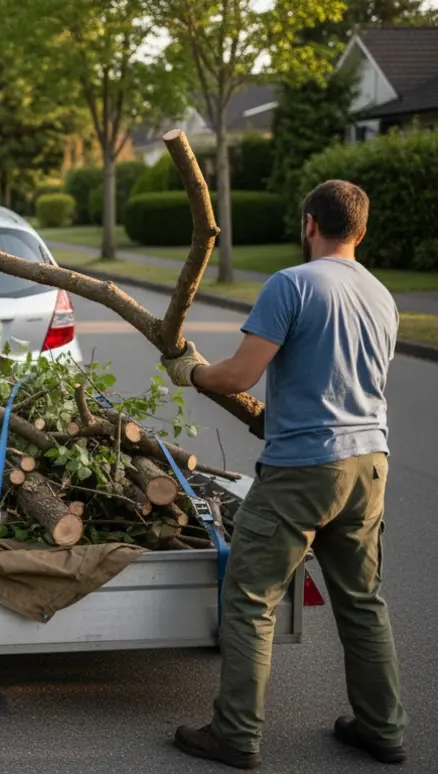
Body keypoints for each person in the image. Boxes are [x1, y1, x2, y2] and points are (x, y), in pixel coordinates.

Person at [162, 179, 407, 769]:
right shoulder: (382, 295)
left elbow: (240, 375)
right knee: (362, 600)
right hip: (370, 463)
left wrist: (189, 371)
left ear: (308, 225)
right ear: (362, 230)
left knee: (249, 598)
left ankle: (235, 735)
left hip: (305, 469)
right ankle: (383, 729)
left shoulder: (291, 284)